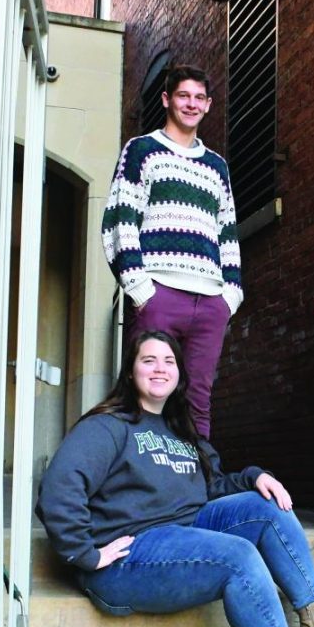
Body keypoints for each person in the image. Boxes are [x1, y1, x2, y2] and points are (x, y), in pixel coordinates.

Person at [36, 330, 314, 627]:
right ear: (130, 373)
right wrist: (86, 553)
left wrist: (254, 477)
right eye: (148, 360)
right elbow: (59, 487)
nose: (160, 369)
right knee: (238, 557)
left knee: (265, 506)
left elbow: (211, 487)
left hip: (183, 531)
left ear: (180, 374)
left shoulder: (182, 431)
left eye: (169, 361)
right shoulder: (109, 426)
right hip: (130, 556)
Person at [102, 64, 241, 440]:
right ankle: (134, 486)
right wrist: (140, 287)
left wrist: (230, 294)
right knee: (142, 394)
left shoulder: (216, 166)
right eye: (183, 96)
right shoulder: (142, 150)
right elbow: (120, 219)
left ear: (209, 105)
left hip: (211, 299)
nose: (191, 104)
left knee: (197, 398)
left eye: (199, 98)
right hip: (158, 293)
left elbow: (226, 230)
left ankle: (195, 488)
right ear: (167, 99)